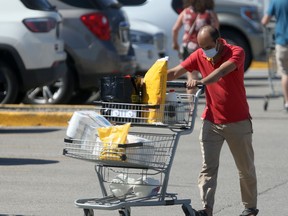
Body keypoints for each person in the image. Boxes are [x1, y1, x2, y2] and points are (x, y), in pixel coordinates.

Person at [167, 25, 259, 216]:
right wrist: (149, 79)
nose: (205, 52)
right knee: (208, 168)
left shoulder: (237, 52)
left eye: (207, 46)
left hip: (238, 121)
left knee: (245, 169)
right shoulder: (200, 54)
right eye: (201, 47)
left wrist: (201, 81)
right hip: (211, 121)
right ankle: (206, 209)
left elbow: (222, 72)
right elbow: (176, 71)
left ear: (218, 42)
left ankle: (249, 208)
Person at [172, 0, 219, 95]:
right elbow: (216, 30)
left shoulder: (186, 12)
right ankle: (211, 100)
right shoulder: (210, 13)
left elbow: (175, 29)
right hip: (205, 48)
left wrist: (175, 43)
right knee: (210, 75)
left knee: (192, 77)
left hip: (188, 48)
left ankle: (191, 104)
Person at [261, 0, 288, 112]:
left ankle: (287, 102)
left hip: (282, 41)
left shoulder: (276, 2)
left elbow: (265, 21)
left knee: (285, 73)